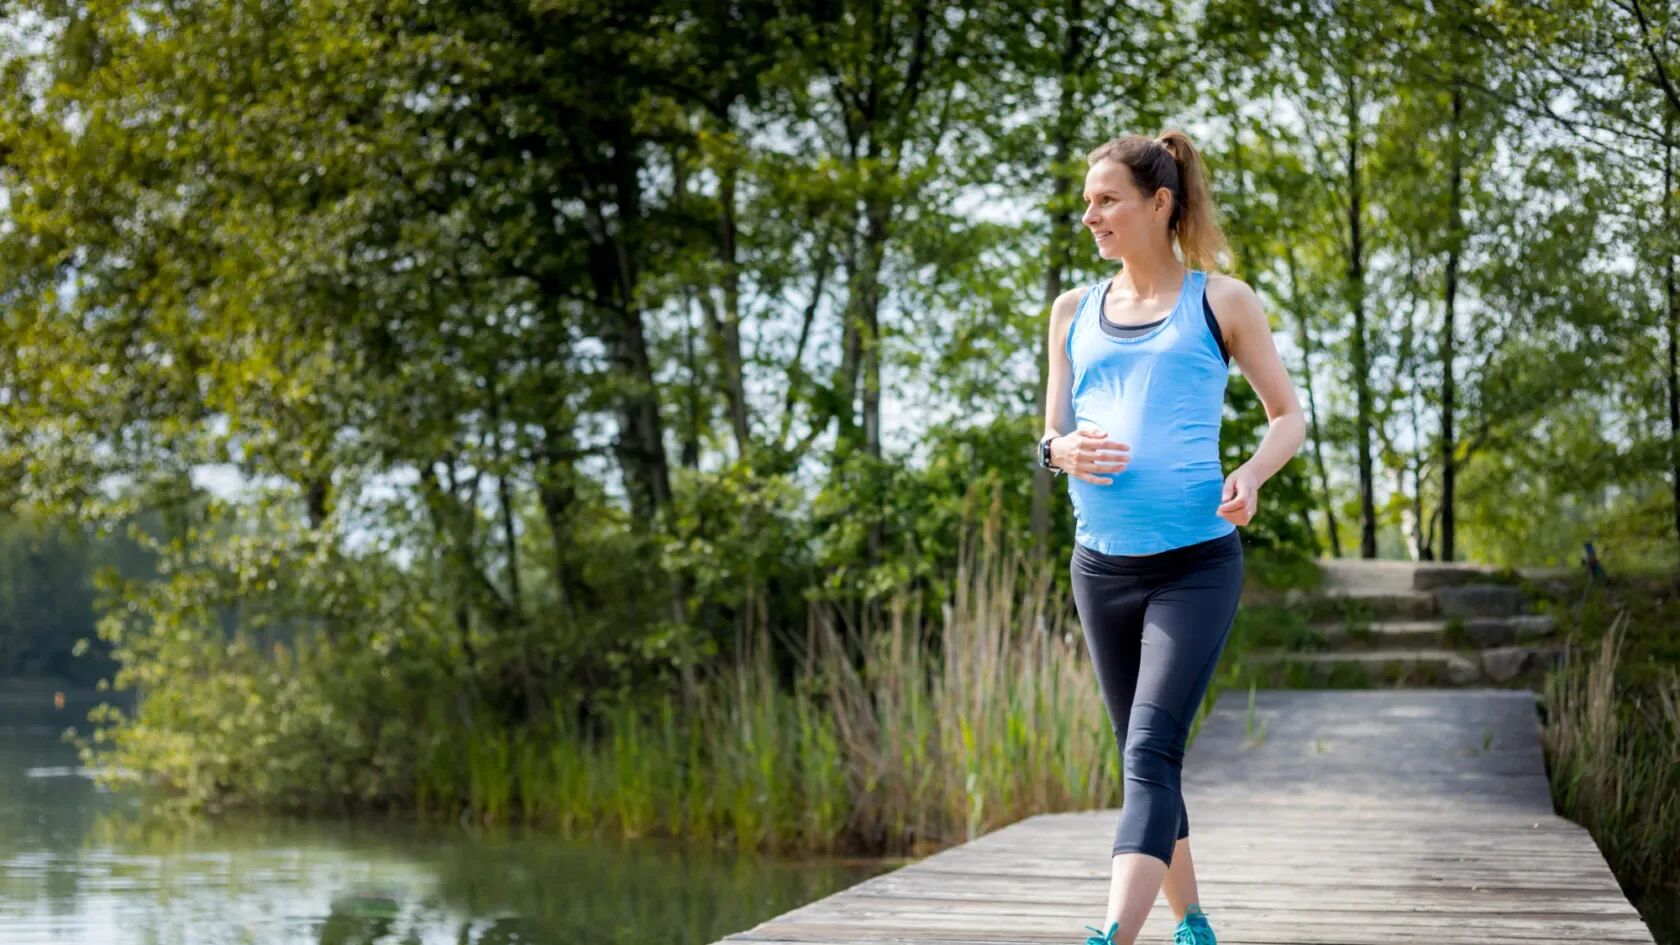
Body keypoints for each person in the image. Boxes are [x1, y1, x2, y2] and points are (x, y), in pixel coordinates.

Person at [1038, 130, 1306, 945]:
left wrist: (1252, 474)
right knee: (1143, 755)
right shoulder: (1072, 310)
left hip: (1194, 565)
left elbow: (1288, 417)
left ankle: (1111, 937)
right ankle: (1193, 923)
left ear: (1159, 203)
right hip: (1099, 567)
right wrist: (1058, 451)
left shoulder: (1221, 301)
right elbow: (1050, 431)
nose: (1091, 216)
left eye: (1107, 200)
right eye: (1087, 202)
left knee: (1152, 747)